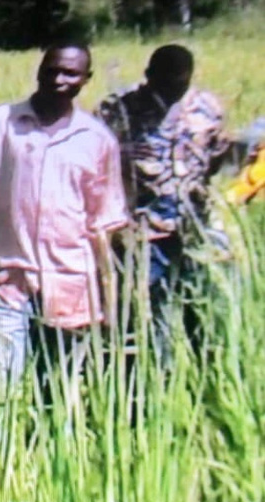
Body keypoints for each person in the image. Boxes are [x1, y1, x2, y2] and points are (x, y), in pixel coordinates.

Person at [0, 43, 127, 389]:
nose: (59, 79)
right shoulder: (0, 125)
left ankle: (47, 443)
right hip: (5, 282)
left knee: (60, 389)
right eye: (52, 70)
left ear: (86, 80)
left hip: (71, 284)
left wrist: (109, 296)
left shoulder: (97, 140)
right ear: (39, 71)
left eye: (71, 73)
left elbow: (103, 225)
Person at [95, 44, 230, 362]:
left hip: (195, 227)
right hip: (142, 232)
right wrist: (122, 154)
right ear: (149, 76)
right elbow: (89, 159)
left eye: (181, 82)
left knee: (203, 307)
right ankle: (153, 381)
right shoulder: (119, 108)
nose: (174, 89)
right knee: (147, 315)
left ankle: (207, 376)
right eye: (166, 81)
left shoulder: (206, 107)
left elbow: (218, 156)